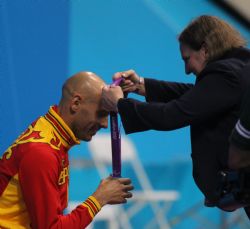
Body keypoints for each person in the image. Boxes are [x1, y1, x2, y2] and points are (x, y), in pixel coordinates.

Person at [101, 15, 250, 211]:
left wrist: (120, 104)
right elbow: (197, 96)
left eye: (187, 59)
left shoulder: (226, 74)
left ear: (205, 49)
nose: (187, 69)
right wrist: (141, 86)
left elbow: (171, 115)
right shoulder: (238, 65)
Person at [0, 72, 134, 229]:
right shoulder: (42, 153)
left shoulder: (51, 131)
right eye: (101, 113)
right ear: (75, 103)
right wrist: (99, 199)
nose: (105, 124)